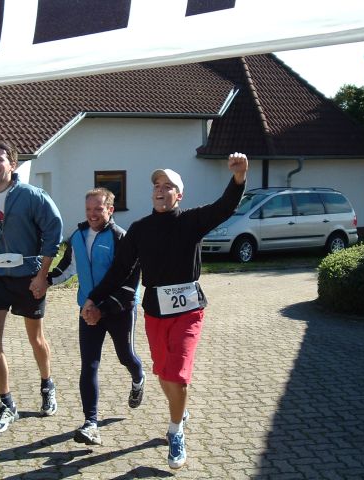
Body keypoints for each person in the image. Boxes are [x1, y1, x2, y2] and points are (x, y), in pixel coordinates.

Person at [82, 152, 248, 469]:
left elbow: (224, 207)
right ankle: (179, 410)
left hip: (188, 312)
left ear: (179, 195)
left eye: (168, 186)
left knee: (178, 374)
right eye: (157, 185)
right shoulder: (140, 230)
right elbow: (118, 271)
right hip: (156, 313)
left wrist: (238, 178)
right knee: (162, 370)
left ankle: (175, 431)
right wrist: (94, 299)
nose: (160, 190)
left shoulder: (192, 221)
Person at [0, 141, 63, 435]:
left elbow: (54, 232)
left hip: (28, 277)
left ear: (13, 164)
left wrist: (42, 275)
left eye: (1, 159)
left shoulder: (32, 196)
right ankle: (7, 404)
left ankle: (47, 384)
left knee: (36, 339)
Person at [48, 187, 145, 446]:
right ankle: (90, 423)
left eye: (98, 209)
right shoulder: (78, 236)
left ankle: (138, 378)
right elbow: (67, 268)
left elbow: (129, 285)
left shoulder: (121, 238)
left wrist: (102, 308)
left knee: (126, 356)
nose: (92, 214)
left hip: (118, 310)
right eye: (88, 209)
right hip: (88, 311)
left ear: (110, 210)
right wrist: (44, 282)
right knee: (89, 364)